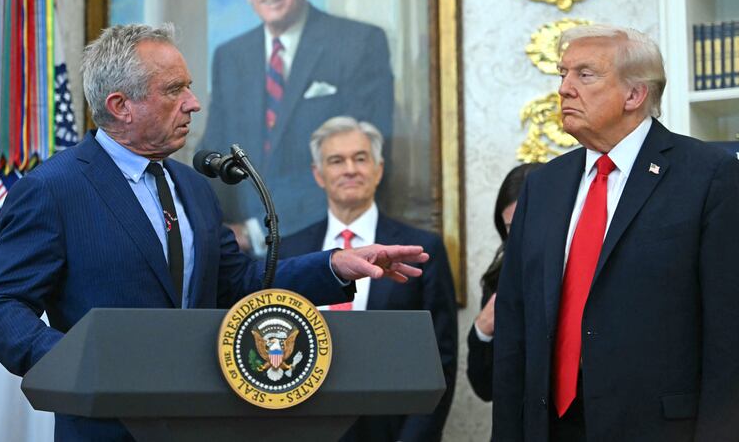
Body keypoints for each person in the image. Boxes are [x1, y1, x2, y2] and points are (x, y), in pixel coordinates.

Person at [0, 24, 426, 442]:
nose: (193, 102)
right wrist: (79, 361)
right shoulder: (54, 188)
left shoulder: (191, 185)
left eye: (188, 86)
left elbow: (240, 285)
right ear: (120, 106)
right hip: (108, 429)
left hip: (206, 423)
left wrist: (334, 266)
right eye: (174, 90)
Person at [492, 24, 739, 441]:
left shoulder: (710, 177)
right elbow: (514, 327)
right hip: (550, 426)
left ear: (635, 94)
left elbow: (728, 337)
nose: (565, 89)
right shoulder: (544, 185)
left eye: (584, 75)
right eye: (563, 74)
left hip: (657, 428)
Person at [203, 0, 394, 255]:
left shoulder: (358, 43)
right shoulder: (229, 57)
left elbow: (363, 155)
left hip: (325, 247)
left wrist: (256, 230)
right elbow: (215, 154)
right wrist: (210, 229)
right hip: (241, 259)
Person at [279, 116, 457, 442]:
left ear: (379, 169)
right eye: (336, 160)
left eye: (360, 158)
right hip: (303, 426)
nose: (350, 169)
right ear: (319, 175)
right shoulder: (289, 251)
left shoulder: (420, 249)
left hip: (391, 430)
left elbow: (440, 361)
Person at [466, 163, 541, 403]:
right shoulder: (500, 276)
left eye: (530, 222)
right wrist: (482, 329)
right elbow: (484, 389)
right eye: (511, 227)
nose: (520, 236)